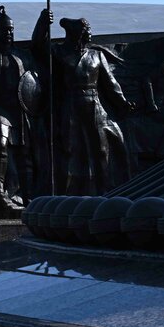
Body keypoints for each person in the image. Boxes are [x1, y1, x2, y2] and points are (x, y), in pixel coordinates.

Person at [0, 7, 51, 205]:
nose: (8, 34)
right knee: (1, 142)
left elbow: (39, 49)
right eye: (5, 30)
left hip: (21, 110)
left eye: (11, 30)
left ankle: (29, 194)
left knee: (25, 153)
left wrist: (42, 22)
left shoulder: (21, 55)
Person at [52, 14, 135, 194]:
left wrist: (122, 102)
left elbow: (110, 83)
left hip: (94, 104)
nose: (90, 34)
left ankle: (105, 189)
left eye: (89, 30)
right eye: (86, 31)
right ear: (77, 33)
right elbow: (38, 49)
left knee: (103, 148)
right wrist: (43, 23)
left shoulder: (96, 55)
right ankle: (66, 192)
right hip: (71, 104)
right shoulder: (59, 53)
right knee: (69, 149)